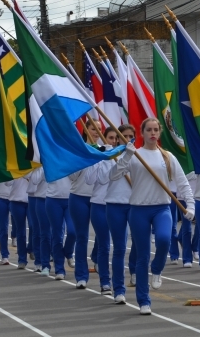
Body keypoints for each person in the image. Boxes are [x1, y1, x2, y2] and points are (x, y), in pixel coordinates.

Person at [110, 117, 195, 315]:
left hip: (162, 208)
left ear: (159, 132)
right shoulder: (135, 155)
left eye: (156, 129)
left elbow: (183, 184)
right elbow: (113, 176)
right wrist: (126, 157)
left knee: (165, 240)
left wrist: (190, 205)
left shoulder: (167, 157)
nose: (153, 133)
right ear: (143, 133)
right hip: (138, 209)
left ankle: (157, 269)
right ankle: (144, 300)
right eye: (149, 129)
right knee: (142, 256)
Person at [102, 124, 137, 303]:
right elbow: (112, 176)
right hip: (114, 205)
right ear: (117, 139)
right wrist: (125, 155)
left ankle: (134, 271)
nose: (127, 139)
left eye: (131, 136)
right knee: (120, 248)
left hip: (135, 205)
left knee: (139, 245)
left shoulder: (140, 156)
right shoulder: (110, 156)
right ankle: (119, 290)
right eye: (124, 136)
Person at [67, 119, 101, 288]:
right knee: (82, 237)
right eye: (93, 128)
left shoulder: (105, 151)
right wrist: (83, 158)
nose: (96, 132)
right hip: (79, 197)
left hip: (99, 200)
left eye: (99, 129)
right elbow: (72, 177)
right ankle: (81, 275)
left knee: (103, 236)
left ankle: (96, 257)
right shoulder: (78, 150)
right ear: (86, 130)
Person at [85, 126, 118, 295]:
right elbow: (89, 180)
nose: (113, 141)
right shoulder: (99, 156)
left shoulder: (123, 157)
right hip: (99, 205)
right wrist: (98, 158)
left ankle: (96, 257)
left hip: (119, 206)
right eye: (110, 138)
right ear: (104, 139)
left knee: (118, 246)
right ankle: (105, 281)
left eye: (116, 138)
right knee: (105, 244)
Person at [9, 174, 30, 269]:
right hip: (16, 200)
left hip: (33, 199)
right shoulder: (14, 163)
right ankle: (22, 259)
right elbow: (7, 183)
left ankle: (31, 248)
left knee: (34, 227)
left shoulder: (34, 161)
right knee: (20, 232)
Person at [0, 180, 13, 265]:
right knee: (3, 227)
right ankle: (5, 255)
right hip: (0, 197)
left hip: (16, 198)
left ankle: (26, 252)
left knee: (19, 228)